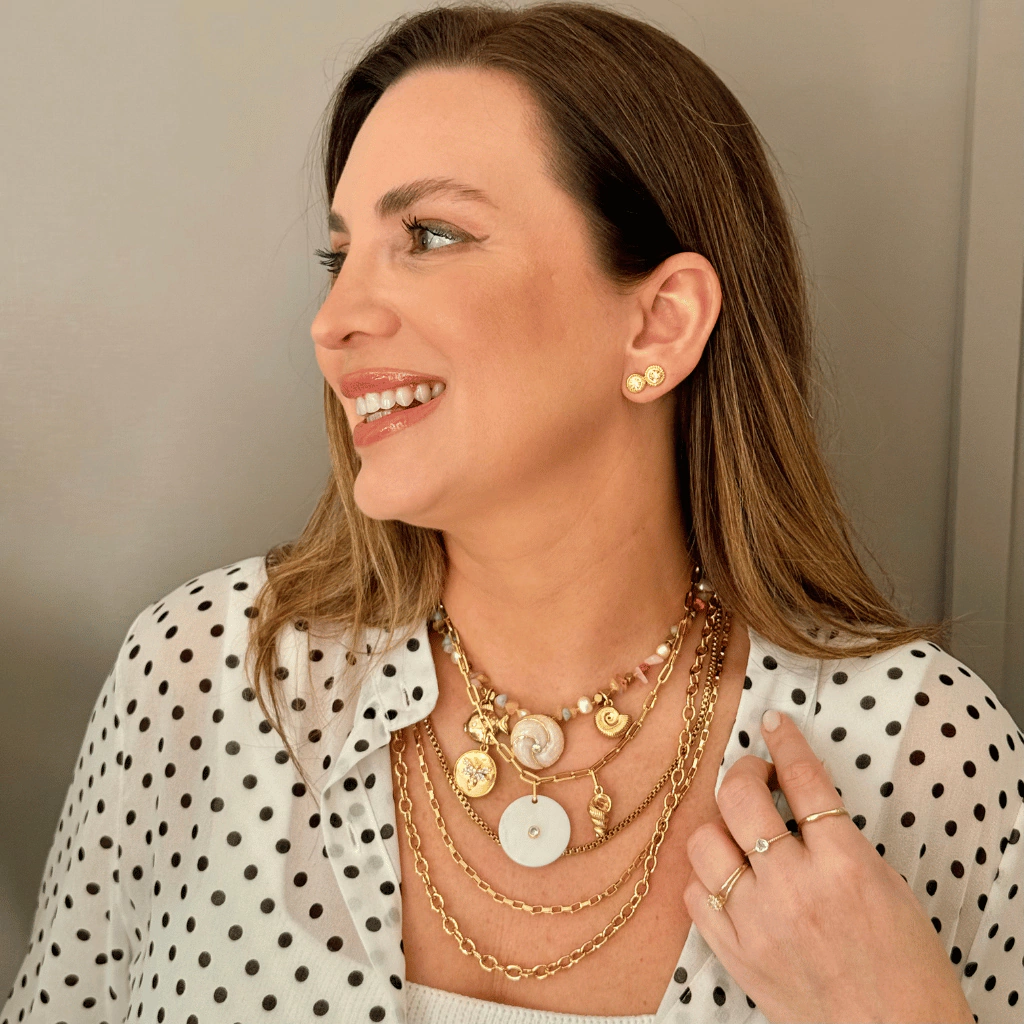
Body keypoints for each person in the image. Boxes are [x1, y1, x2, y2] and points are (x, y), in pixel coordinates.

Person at [3, 3, 1022, 1022]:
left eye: (429, 235)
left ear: (659, 323)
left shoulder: (923, 754)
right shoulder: (203, 677)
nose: (332, 320)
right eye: (338, 257)